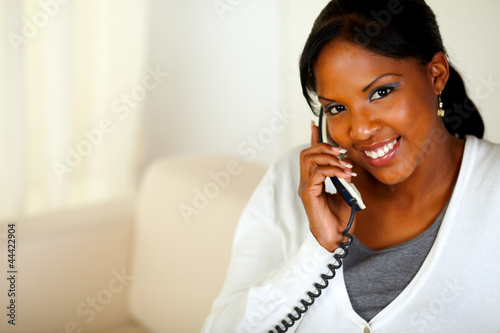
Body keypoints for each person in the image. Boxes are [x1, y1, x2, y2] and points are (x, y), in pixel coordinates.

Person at [202, 0, 500, 332]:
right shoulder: (292, 179)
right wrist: (317, 251)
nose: (359, 130)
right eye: (336, 108)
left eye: (381, 92)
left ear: (436, 75)